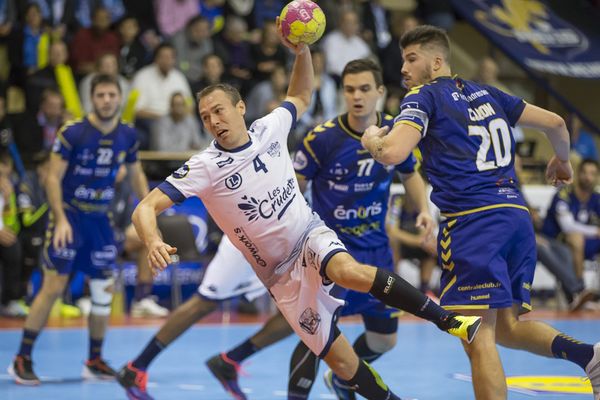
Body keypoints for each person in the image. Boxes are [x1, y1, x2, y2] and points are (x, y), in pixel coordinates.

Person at [118, 21, 480, 400]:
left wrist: (301, 50)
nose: (214, 121)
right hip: (279, 275)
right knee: (343, 364)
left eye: (220, 111)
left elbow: (301, 94)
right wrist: (152, 238)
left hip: (309, 235)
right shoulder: (205, 165)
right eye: (206, 116)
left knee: (348, 270)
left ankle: (447, 320)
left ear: (240, 108)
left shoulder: (269, 128)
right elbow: (146, 207)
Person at [361, 25, 600, 399]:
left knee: (475, 333)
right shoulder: (489, 92)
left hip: (474, 222)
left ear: (436, 61)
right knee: (506, 328)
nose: (403, 68)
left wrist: (373, 138)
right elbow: (556, 123)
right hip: (515, 217)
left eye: (412, 59)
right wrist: (563, 161)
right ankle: (592, 358)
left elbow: (393, 153)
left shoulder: (423, 96)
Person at [204, 58, 433, 400]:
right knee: (317, 338)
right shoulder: (323, 138)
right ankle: (297, 386)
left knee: (385, 338)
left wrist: (425, 210)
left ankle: (343, 379)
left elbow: (409, 172)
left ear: (381, 92)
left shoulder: (393, 133)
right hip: (330, 251)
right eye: (350, 89)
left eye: (365, 89)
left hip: (376, 250)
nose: (357, 96)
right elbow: (289, 184)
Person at [9, 73, 150, 385]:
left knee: (102, 291)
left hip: (100, 221)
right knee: (53, 286)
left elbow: (137, 176)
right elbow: (51, 178)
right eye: (100, 95)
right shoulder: (73, 133)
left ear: (119, 98)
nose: (106, 100)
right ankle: (22, 358)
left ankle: (95, 360)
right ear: (92, 98)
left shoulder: (127, 135)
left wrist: (148, 208)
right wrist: (59, 219)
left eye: (111, 95)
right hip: (70, 218)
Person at [542, 159, 600, 282]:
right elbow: (568, 227)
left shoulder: (596, 198)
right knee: (576, 238)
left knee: (578, 238)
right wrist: (596, 231)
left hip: (584, 242)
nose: (588, 177)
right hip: (555, 242)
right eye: (585, 173)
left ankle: (595, 291)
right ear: (578, 174)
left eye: (592, 174)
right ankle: (579, 290)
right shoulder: (563, 195)